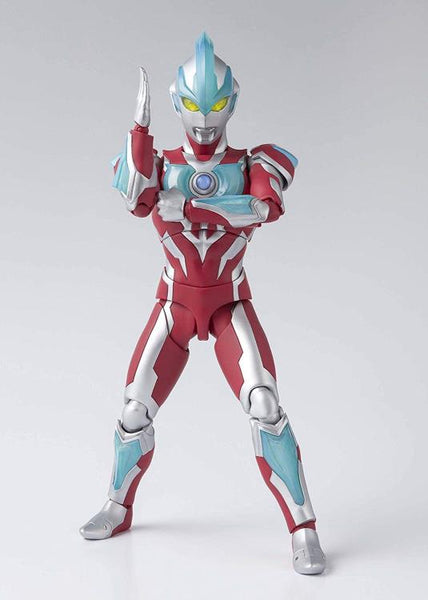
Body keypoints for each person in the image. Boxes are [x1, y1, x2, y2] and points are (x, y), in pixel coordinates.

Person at [80, 33, 326, 576]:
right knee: (134, 409)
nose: (206, 121)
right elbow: (136, 199)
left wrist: (189, 206)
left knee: (265, 405)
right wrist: (139, 135)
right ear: (178, 103)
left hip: (228, 302)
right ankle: (118, 507)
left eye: (216, 107)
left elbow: (262, 211)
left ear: (232, 101)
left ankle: (303, 528)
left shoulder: (252, 161)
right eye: (195, 107)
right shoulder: (160, 163)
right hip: (175, 303)